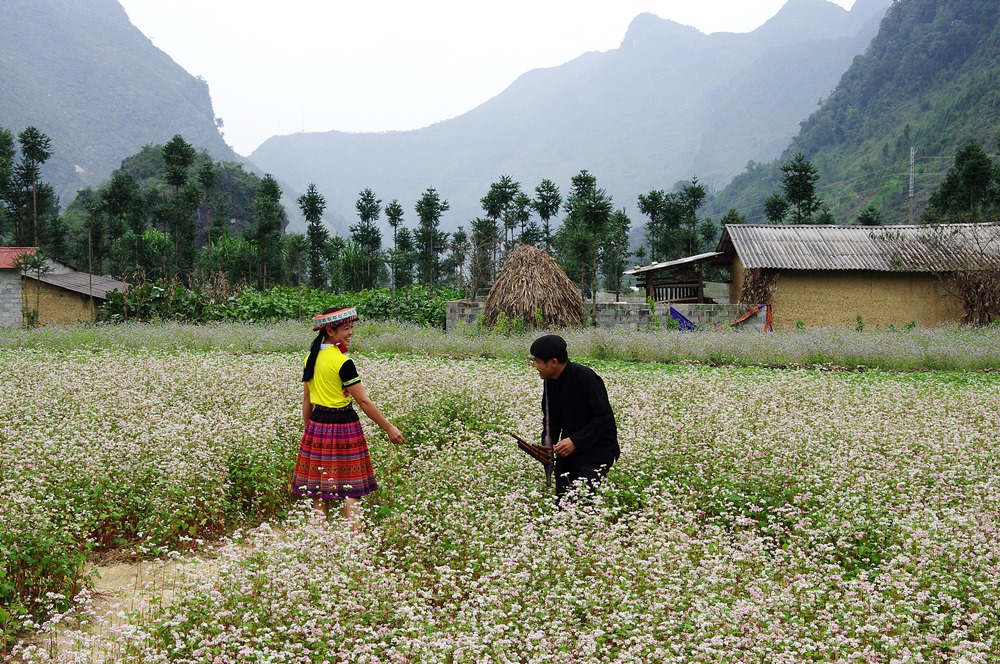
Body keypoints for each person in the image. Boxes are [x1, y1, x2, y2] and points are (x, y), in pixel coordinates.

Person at [291, 306, 405, 522]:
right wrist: (389, 428)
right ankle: (354, 541)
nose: (351, 332)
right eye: (346, 328)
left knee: (319, 488)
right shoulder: (343, 362)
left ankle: (318, 538)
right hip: (344, 425)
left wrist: (309, 430)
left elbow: (307, 399)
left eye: (352, 327)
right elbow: (363, 400)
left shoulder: (311, 357)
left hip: (318, 423)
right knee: (351, 488)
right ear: (330, 332)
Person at [529, 334, 619, 499]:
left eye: (537, 361)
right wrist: (546, 448)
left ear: (553, 362)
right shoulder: (549, 382)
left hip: (597, 450)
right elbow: (551, 420)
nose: (535, 365)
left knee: (582, 498)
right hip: (570, 452)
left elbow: (604, 418)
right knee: (562, 501)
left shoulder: (585, 377)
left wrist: (575, 441)